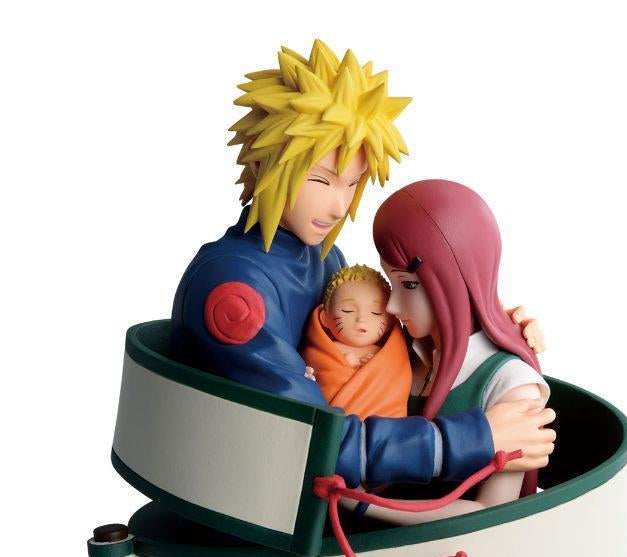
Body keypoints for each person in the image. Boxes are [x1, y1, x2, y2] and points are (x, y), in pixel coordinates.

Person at [171, 40, 555, 491]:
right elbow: (311, 444)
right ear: (259, 165)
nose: (339, 207)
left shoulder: (324, 258)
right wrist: (475, 438)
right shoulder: (235, 291)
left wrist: (481, 322)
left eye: (352, 184)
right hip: (264, 500)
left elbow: (382, 339)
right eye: (320, 180)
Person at [362, 179, 555, 523]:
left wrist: (361, 503)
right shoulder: (397, 345)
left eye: (408, 284)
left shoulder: (511, 385)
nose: (391, 305)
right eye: (391, 283)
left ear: (456, 279)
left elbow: (489, 514)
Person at [300, 265, 411, 420]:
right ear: (325, 318)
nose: (361, 319)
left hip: (378, 428)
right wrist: (343, 364)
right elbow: (311, 385)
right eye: (348, 310)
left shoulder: (390, 357)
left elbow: (394, 386)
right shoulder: (319, 352)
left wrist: (373, 366)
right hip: (329, 423)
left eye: (375, 312)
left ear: (389, 323)